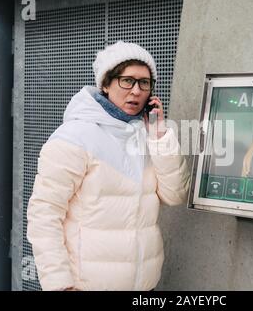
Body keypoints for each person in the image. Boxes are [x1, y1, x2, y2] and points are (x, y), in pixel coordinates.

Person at [27, 41, 190, 291]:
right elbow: (44, 215)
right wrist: (60, 285)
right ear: (105, 84)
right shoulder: (75, 136)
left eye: (144, 83)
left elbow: (175, 195)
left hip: (144, 285)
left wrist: (159, 136)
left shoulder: (148, 136)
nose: (136, 91)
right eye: (127, 81)